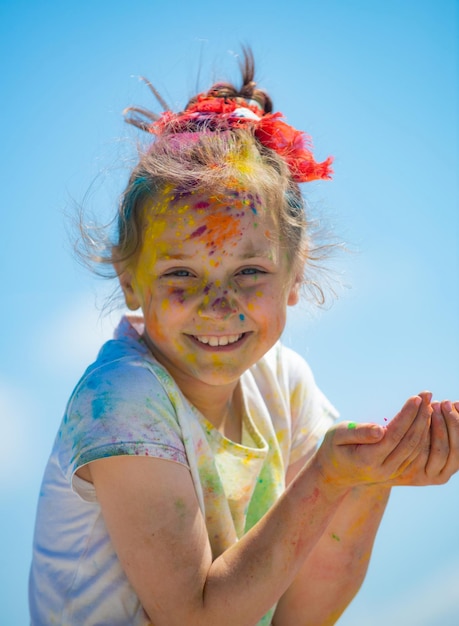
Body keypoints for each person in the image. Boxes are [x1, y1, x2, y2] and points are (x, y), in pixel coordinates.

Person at [29, 49, 459, 626]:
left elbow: (305, 615)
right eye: (181, 273)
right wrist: (329, 477)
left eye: (249, 272)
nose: (219, 304)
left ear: (295, 275)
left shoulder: (284, 382)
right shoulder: (122, 397)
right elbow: (196, 617)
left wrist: (367, 481)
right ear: (129, 279)